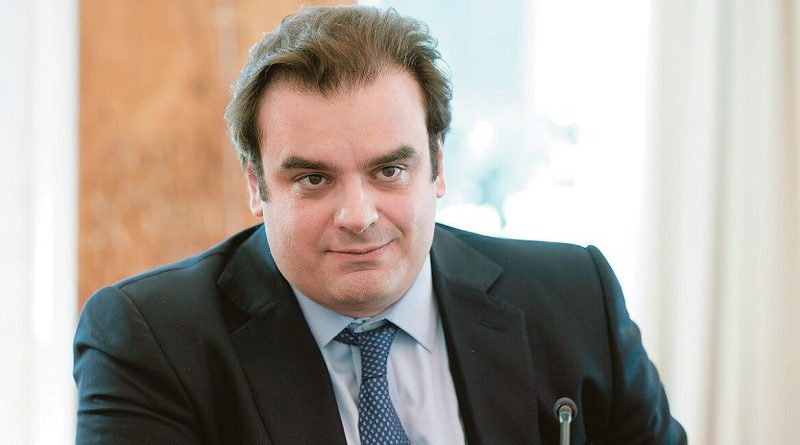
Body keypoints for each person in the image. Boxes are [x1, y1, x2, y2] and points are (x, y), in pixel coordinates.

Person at [73, 5, 686, 444]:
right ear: (256, 185)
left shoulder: (575, 297)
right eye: (314, 179)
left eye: (389, 170)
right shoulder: (150, 341)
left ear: (437, 166)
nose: (359, 216)